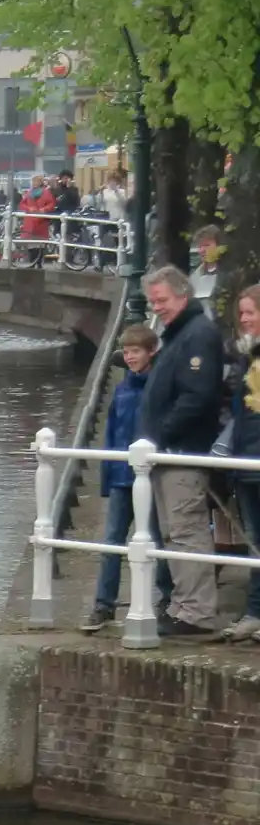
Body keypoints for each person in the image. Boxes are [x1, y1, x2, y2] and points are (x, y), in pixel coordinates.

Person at [140, 265, 226, 635]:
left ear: (183, 295)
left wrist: (161, 435)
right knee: (173, 532)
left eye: (162, 300)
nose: (156, 307)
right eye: (152, 301)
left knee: (186, 529)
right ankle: (182, 605)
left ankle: (197, 612)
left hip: (181, 451)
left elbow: (197, 396)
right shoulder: (179, 334)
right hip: (166, 452)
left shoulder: (197, 335)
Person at [81, 325, 171, 632]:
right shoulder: (122, 390)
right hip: (121, 477)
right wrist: (107, 477)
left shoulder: (158, 389)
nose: (131, 357)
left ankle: (166, 600)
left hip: (152, 477)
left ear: (151, 353)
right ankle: (103, 605)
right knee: (112, 542)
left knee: (157, 540)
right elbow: (112, 437)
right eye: (128, 352)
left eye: (137, 352)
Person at [217, 286, 260, 640]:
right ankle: (255, 613)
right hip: (246, 458)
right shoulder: (245, 357)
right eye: (241, 314)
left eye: (250, 312)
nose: (244, 319)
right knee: (255, 541)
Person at [192, 225, 224, 299]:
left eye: (206, 245)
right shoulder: (195, 276)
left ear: (219, 246)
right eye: (199, 246)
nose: (202, 250)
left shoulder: (230, 273)